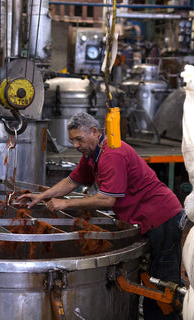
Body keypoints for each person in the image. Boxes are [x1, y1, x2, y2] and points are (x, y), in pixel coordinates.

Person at [18, 112, 185, 320]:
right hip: (145, 219)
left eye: (79, 139)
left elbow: (106, 200)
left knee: (163, 284)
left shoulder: (112, 154)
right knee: (152, 278)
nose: (76, 145)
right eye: (72, 141)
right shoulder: (92, 156)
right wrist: (41, 196)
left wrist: (66, 203)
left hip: (162, 218)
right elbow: (71, 182)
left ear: (95, 132)